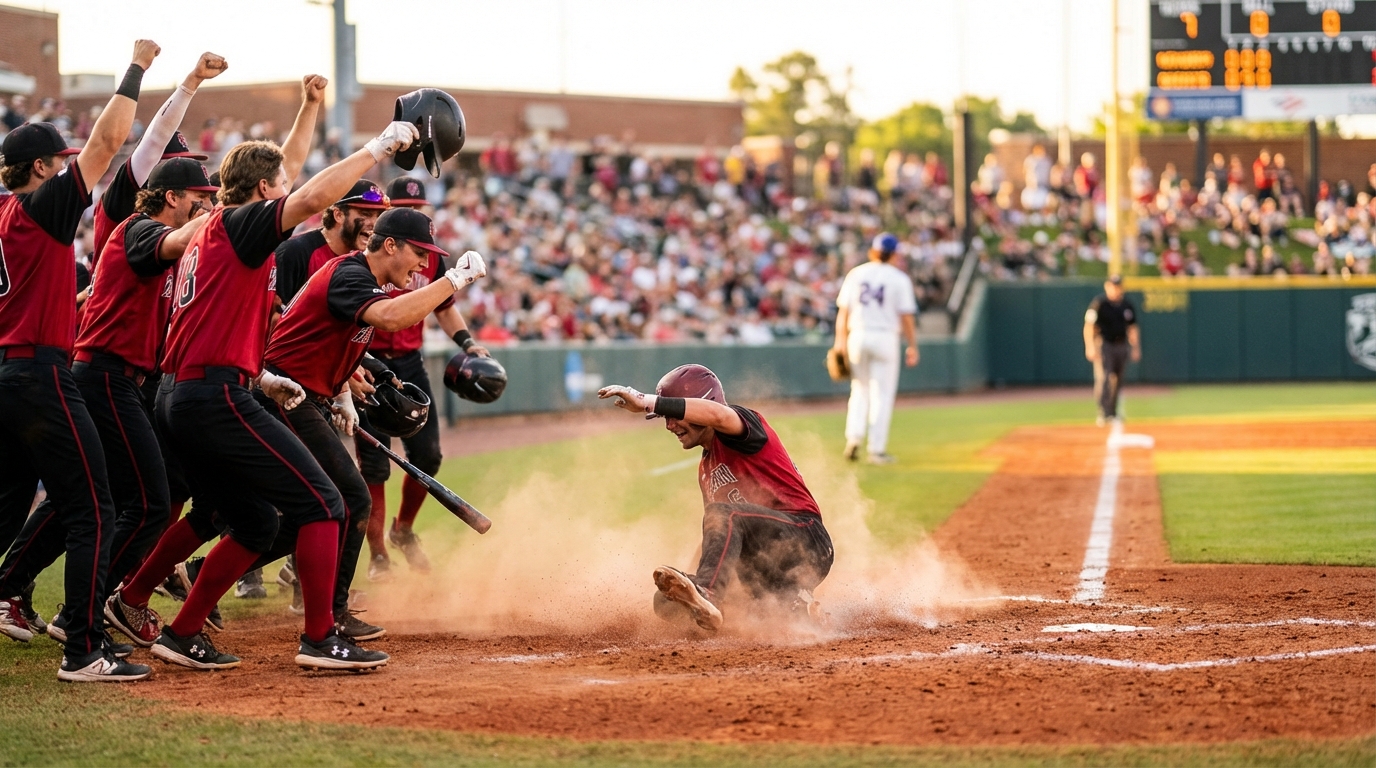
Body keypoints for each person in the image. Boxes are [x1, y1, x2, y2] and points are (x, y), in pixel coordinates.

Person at [132, 74, 420, 672]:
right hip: (214, 391)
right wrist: (378, 148)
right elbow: (310, 196)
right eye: (279, 187)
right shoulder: (238, 226)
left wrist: (310, 107)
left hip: (185, 390)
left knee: (247, 519)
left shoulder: (218, 231)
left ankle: (161, 618)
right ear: (263, 191)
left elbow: (288, 170)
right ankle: (321, 637)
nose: (288, 194)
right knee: (323, 500)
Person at [0, 158, 218, 650]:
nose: (205, 205)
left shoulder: (149, 236)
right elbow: (177, 234)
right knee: (142, 504)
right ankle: (83, 610)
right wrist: (231, 211)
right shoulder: (138, 228)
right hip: (104, 376)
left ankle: (27, 592)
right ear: (170, 197)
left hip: (117, 377)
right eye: (199, 197)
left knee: (86, 500)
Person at [0, 39, 162, 682]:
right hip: (40, 375)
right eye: (56, 163)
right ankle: (82, 648)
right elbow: (106, 144)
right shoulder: (40, 208)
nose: (68, 171)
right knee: (94, 508)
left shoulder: (6, 211)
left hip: (9, 372)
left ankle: (25, 600)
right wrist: (137, 69)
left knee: (7, 507)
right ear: (40, 168)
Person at [597, 365, 834, 632]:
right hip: (769, 565)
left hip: (806, 539)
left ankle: (710, 593)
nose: (669, 425)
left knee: (724, 514)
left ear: (704, 403)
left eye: (673, 415)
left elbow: (717, 415)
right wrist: (690, 587)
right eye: (665, 418)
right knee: (666, 602)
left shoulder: (741, 425)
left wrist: (645, 402)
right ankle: (796, 608)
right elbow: (717, 537)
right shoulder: (705, 470)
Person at [355, 175, 490, 583]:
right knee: (374, 464)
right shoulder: (372, 255)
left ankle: (403, 529)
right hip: (368, 359)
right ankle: (378, 554)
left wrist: (468, 343)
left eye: (417, 209)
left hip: (410, 362)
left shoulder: (430, 254)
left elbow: (445, 307)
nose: (411, 215)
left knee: (427, 455)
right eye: (403, 208)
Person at [832, 233, 919, 464]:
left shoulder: (857, 273)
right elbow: (907, 317)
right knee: (882, 394)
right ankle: (876, 450)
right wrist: (912, 345)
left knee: (859, 390)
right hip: (885, 338)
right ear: (895, 254)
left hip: (857, 336)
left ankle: (853, 439)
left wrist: (840, 342)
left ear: (873, 251)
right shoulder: (899, 278)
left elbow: (844, 313)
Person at [1083, 275, 1141, 426]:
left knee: (1117, 380)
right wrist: (1090, 346)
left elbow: (1132, 328)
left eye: (1118, 286)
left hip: (1121, 345)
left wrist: (1135, 347)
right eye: (1113, 286)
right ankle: (1104, 412)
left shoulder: (1126, 305)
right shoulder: (1099, 304)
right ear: (1107, 286)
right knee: (1104, 378)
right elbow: (1089, 326)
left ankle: (1113, 412)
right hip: (1105, 344)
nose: (1116, 289)